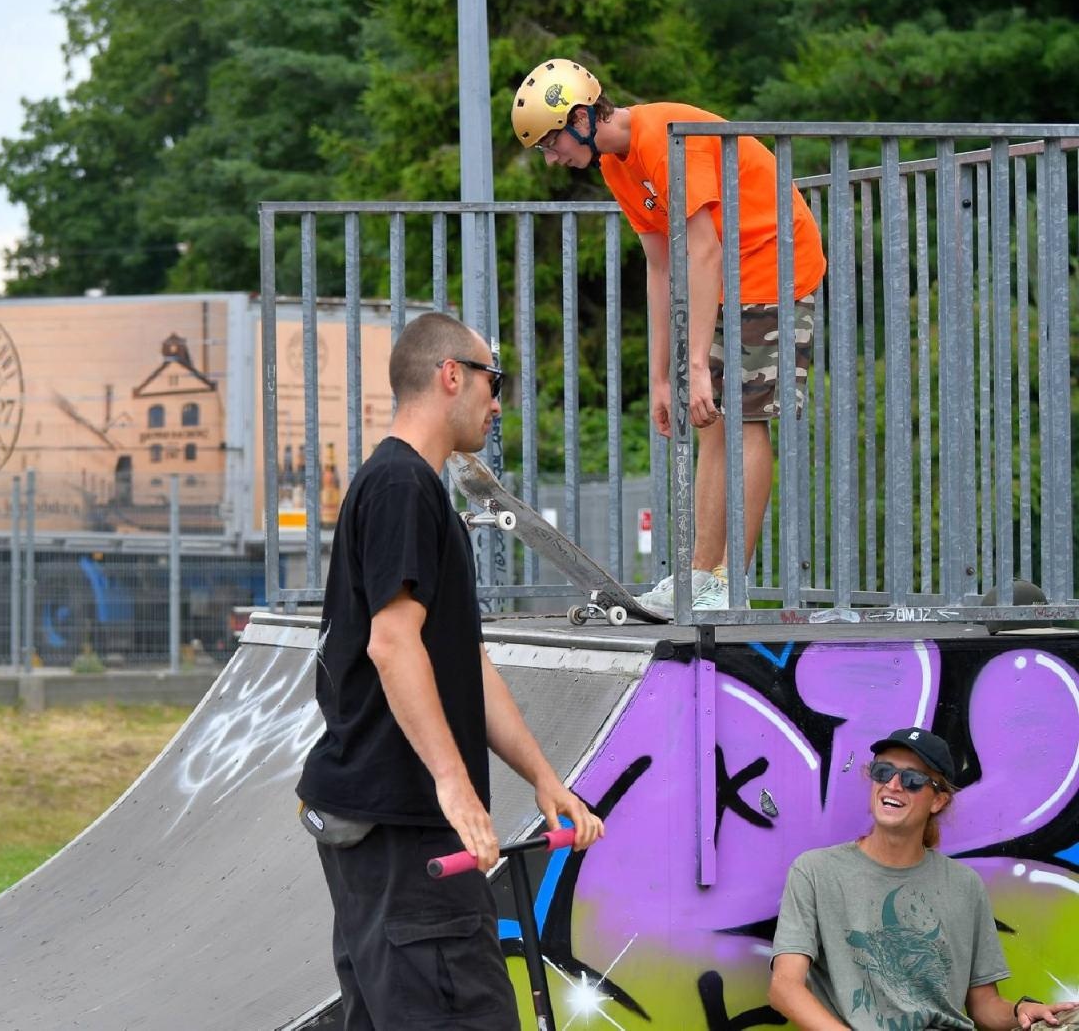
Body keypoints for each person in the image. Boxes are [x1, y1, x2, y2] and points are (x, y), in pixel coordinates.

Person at [295, 310, 606, 1030]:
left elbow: (461, 658)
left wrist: (542, 777)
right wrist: (455, 785)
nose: (498, 402)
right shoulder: (402, 485)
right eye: (494, 382)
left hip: (391, 827)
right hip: (407, 830)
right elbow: (393, 644)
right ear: (450, 376)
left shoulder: (408, 485)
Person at [510, 59, 828, 615]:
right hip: (725, 276)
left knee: (745, 417)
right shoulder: (616, 165)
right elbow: (661, 267)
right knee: (710, 421)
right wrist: (663, 378)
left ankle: (731, 583)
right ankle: (699, 576)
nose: (552, 157)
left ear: (582, 117)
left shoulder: (665, 139)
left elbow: (701, 249)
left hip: (773, 266)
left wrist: (698, 365)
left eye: (551, 142)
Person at [768, 727, 1078, 1030]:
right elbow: (784, 988)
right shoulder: (815, 872)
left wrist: (1022, 1010)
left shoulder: (965, 886)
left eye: (913, 779)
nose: (893, 784)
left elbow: (984, 1006)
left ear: (938, 801)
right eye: (883, 771)